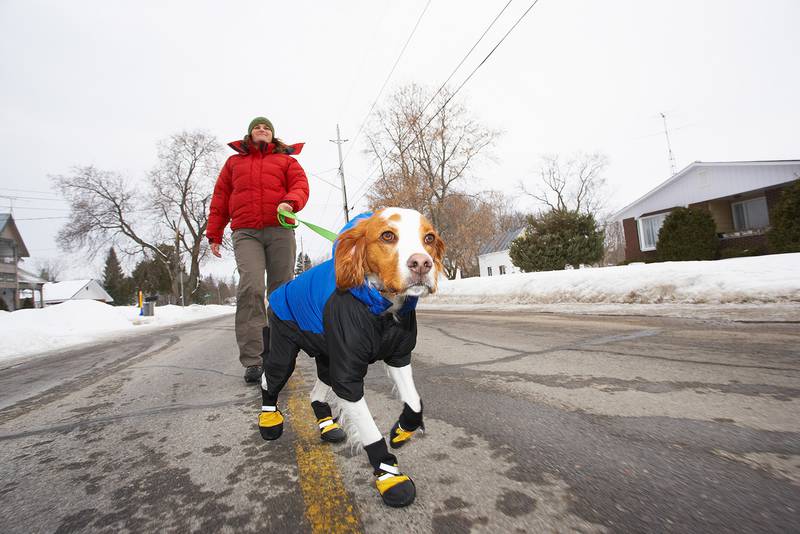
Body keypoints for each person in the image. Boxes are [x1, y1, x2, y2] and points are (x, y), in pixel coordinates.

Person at [207, 117, 309, 384]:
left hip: (280, 229)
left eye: (266, 127)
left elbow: (300, 186)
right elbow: (220, 199)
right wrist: (214, 234)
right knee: (251, 287)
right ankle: (253, 360)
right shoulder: (234, 163)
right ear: (250, 134)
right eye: (257, 127)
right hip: (246, 232)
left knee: (281, 293)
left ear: (273, 135)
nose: (261, 130)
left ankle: (280, 355)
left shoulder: (287, 161)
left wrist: (290, 202)